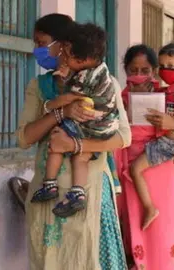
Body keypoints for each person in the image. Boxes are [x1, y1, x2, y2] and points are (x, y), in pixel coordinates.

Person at [17, 13, 130, 269]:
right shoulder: (40, 86)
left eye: (41, 42)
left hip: (89, 194)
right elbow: (25, 138)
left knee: (87, 259)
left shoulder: (105, 82)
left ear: (63, 45)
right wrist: (60, 113)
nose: (37, 50)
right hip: (48, 196)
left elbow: (123, 137)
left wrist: (77, 146)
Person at [114, 44, 174, 270]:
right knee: (136, 226)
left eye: (145, 70)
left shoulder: (168, 94)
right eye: (133, 70)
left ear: (154, 71)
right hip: (132, 171)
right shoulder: (118, 98)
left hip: (165, 169)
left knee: (166, 227)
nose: (138, 75)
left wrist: (172, 124)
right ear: (125, 70)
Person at [30, 23, 119, 218]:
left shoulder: (84, 77)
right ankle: (77, 193)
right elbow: (24, 137)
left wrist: (52, 106)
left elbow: (69, 98)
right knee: (82, 157)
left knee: (56, 141)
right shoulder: (101, 70)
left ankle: (49, 184)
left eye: (68, 55)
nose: (65, 58)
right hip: (105, 125)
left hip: (91, 124)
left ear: (84, 59)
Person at [130, 43, 174, 230]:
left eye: (171, 66)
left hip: (171, 144)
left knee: (135, 169)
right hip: (168, 143)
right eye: (162, 66)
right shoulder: (169, 90)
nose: (165, 70)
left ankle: (149, 208)